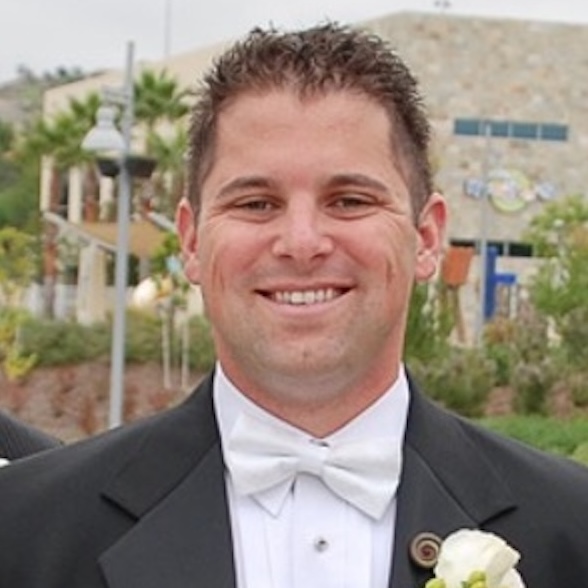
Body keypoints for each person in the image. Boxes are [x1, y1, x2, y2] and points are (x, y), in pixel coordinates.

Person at [0, 23, 587, 588]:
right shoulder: (23, 529)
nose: (302, 243)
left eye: (349, 200)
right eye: (256, 203)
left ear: (427, 237)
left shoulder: (571, 529)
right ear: (192, 241)